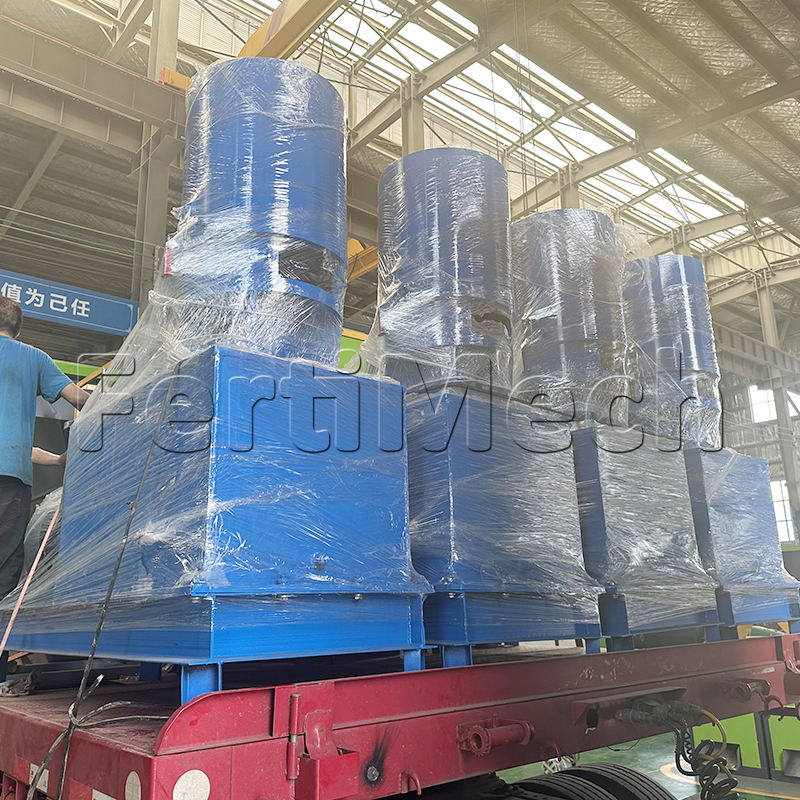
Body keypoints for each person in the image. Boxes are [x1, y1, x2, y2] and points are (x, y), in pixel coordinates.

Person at [0, 296, 89, 599]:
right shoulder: (34, 357)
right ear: (18, 329)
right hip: (9, 484)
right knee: (5, 561)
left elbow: (17, 447)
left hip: (11, 469)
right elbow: (80, 399)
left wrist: (58, 460)